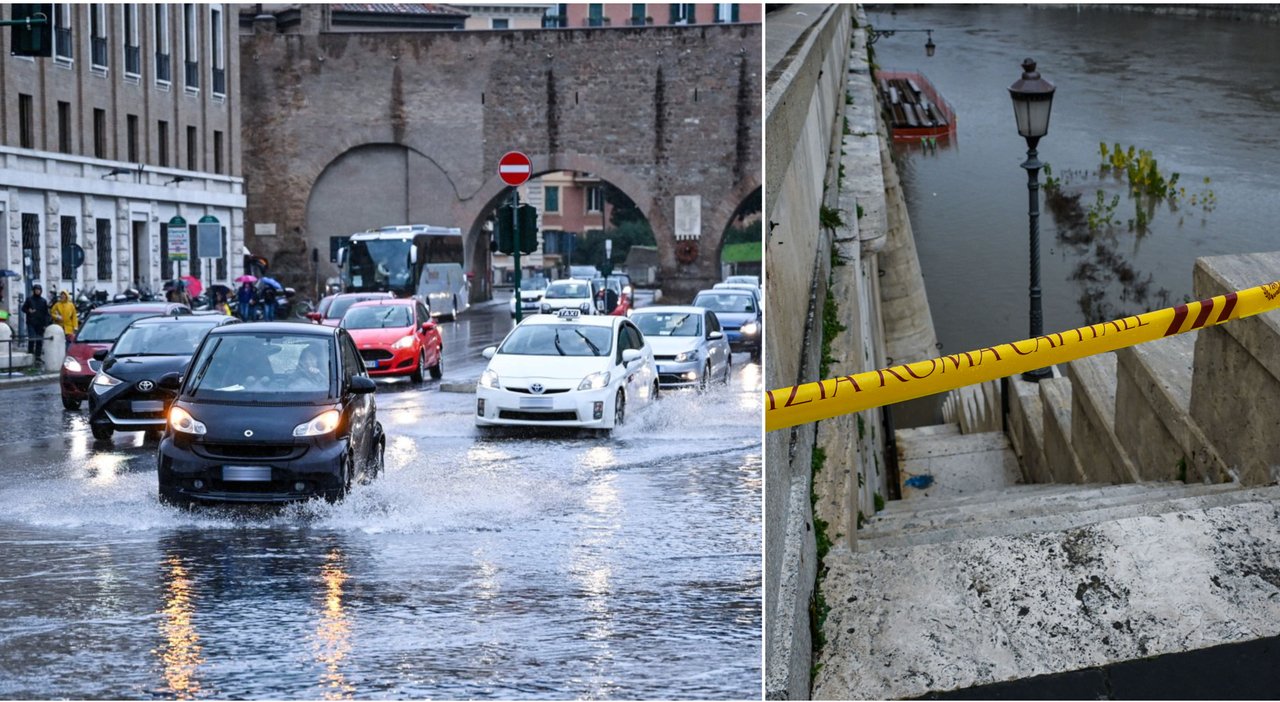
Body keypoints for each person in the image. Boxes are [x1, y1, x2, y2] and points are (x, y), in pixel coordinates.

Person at [21, 284, 51, 360]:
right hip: (31, 322)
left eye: (39, 290)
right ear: (33, 291)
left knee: (39, 340)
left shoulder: (43, 301)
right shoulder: (29, 299)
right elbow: (23, 308)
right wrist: (29, 310)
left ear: (41, 291)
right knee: (32, 338)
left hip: (40, 323)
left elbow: (46, 313)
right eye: (36, 290)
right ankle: (30, 354)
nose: (37, 291)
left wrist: (46, 323)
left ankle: (38, 356)